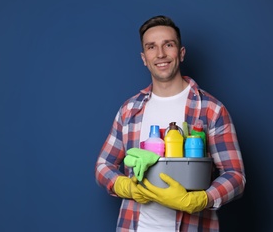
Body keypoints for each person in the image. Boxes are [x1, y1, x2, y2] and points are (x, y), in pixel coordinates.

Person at [95, 15, 246, 231]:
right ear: (144, 58)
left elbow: (236, 176)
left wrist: (200, 200)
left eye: (168, 44)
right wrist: (124, 186)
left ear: (181, 53)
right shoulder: (129, 111)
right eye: (151, 47)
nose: (161, 54)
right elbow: (103, 166)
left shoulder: (212, 110)